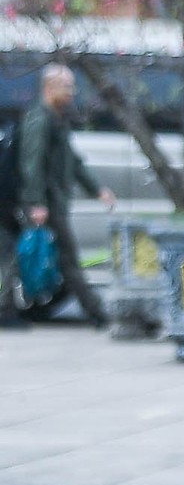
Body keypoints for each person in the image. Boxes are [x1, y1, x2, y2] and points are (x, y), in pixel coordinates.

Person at [12, 64, 116, 328]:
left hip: (54, 201)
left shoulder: (57, 118)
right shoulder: (39, 119)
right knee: (65, 259)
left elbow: (73, 162)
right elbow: (30, 163)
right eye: (66, 86)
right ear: (49, 87)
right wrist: (36, 202)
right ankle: (97, 313)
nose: (72, 92)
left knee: (57, 259)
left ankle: (38, 308)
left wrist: (97, 190)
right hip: (45, 204)